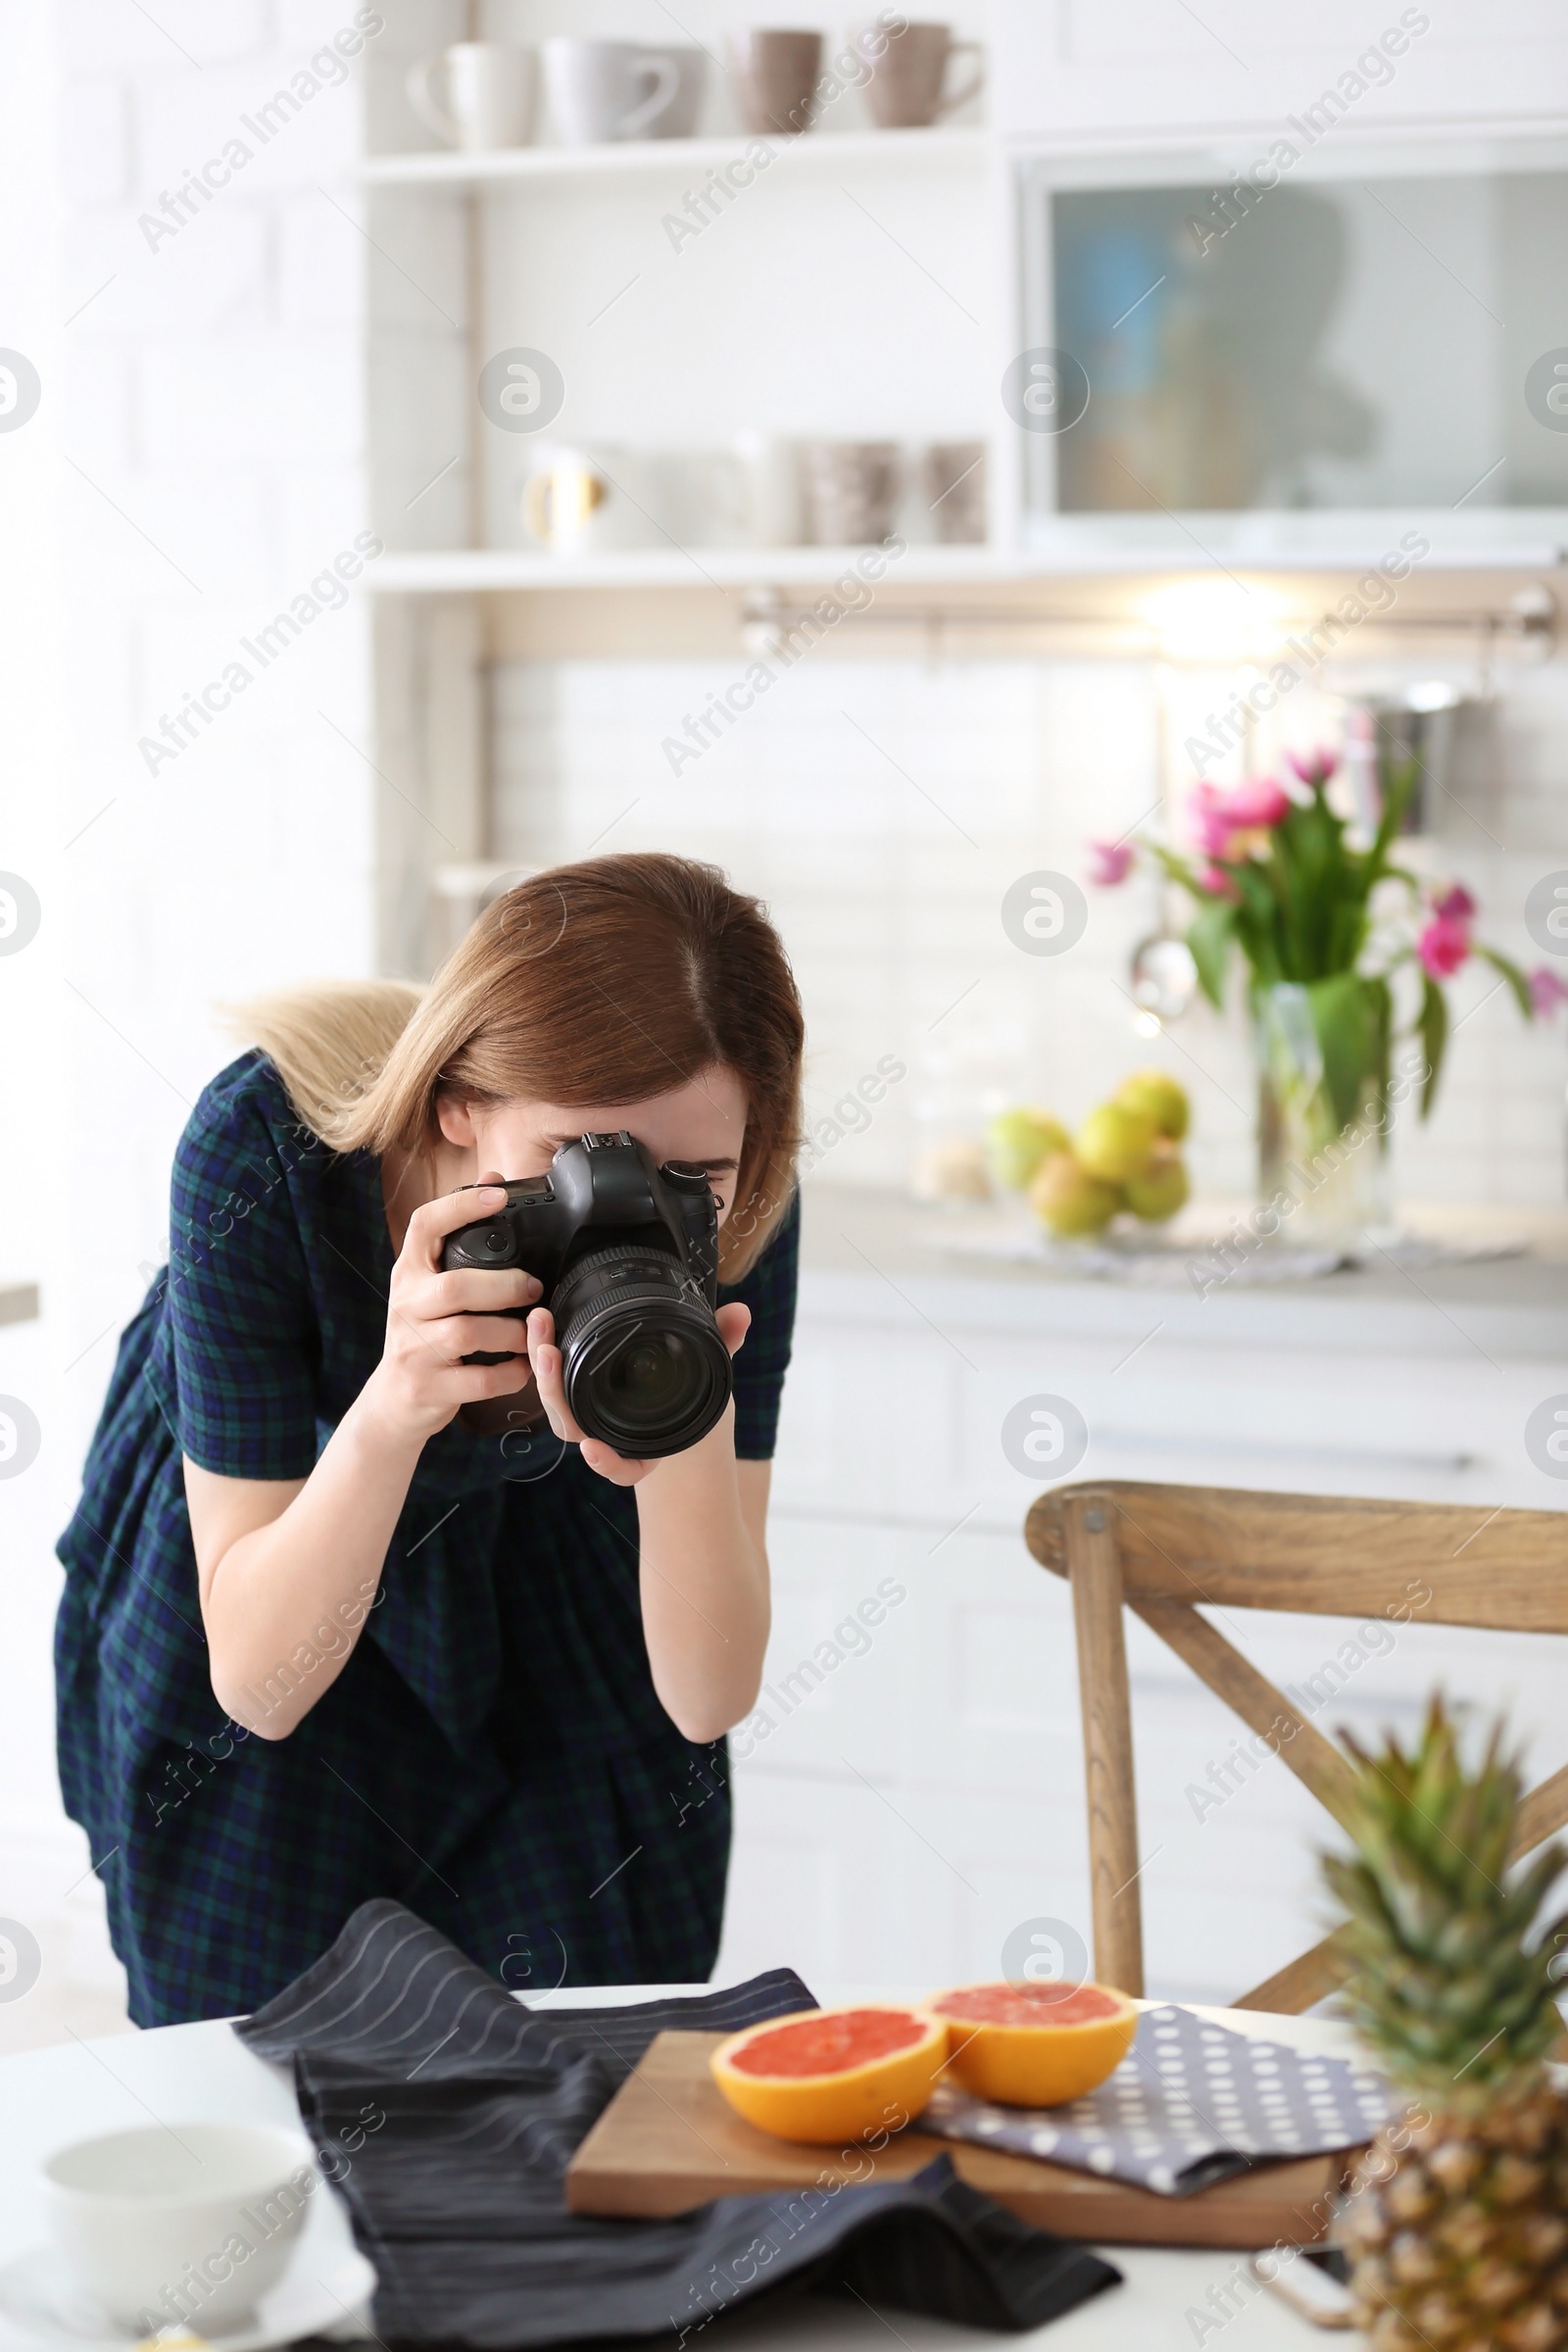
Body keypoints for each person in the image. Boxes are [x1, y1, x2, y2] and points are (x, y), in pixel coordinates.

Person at [55, 854, 805, 2026]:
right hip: (290, 1552)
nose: (639, 1214)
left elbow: (706, 1696)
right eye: (583, 1164)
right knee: (262, 2070)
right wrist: (393, 1409)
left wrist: (680, 1409)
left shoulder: (742, 1205)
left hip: (565, 1592)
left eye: (691, 1177)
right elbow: (258, 1685)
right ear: (454, 1102)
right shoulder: (264, 1157)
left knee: (587, 2065)